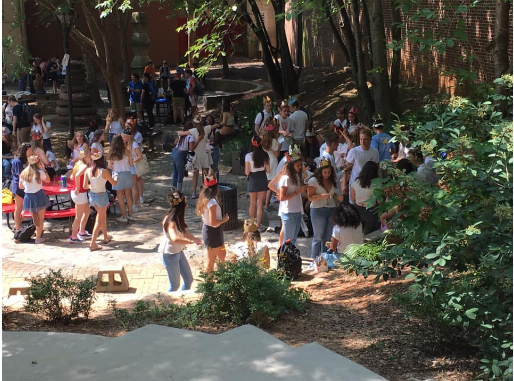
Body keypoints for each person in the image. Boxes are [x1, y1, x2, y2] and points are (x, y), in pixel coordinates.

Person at [159, 189, 201, 292]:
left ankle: (182, 301)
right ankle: (167, 306)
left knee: (189, 280)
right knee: (174, 286)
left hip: (178, 252)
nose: (187, 204)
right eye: (185, 203)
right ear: (182, 206)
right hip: (170, 255)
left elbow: (185, 232)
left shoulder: (178, 217)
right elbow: (174, 238)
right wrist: (189, 242)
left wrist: (194, 238)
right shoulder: (171, 222)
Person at [307, 158, 342, 259]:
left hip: (331, 209)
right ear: (320, 171)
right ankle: (314, 259)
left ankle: (325, 260)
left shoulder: (332, 180)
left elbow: (332, 194)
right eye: (325, 172)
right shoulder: (313, 181)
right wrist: (321, 196)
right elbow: (310, 197)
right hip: (318, 210)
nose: (327, 174)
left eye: (329, 172)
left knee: (327, 237)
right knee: (318, 237)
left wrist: (337, 197)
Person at [83, 150, 118, 251]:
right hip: (101, 196)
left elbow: (85, 186)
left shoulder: (87, 171)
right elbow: (114, 184)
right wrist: (116, 177)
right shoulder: (104, 171)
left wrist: (93, 185)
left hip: (92, 196)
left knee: (102, 216)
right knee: (99, 220)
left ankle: (106, 236)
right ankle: (93, 243)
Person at [196, 172, 230, 273]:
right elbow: (214, 222)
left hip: (213, 231)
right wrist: (225, 219)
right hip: (212, 231)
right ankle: (208, 284)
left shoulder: (205, 198)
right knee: (211, 262)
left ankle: (222, 278)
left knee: (222, 256)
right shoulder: (212, 203)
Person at [277, 145, 308, 244]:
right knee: (288, 241)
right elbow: (282, 197)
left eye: (300, 165)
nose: (300, 167)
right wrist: (297, 192)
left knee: (293, 240)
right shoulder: (286, 178)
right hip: (288, 213)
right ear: (291, 165)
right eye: (298, 165)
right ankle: (284, 258)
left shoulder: (296, 176)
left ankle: (291, 258)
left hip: (298, 211)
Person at [177, 116, 213, 199]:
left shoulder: (192, 131)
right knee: (206, 174)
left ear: (194, 123)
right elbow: (215, 125)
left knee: (195, 175)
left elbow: (180, 133)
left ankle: (194, 192)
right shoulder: (207, 129)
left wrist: (180, 131)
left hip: (196, 155)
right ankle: (206, 191)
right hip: (204, 154)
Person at [18, 155, 50, 244]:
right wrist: (44, 169)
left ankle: (36, 234)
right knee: (40, 218)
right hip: (39, 195)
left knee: (35, 217)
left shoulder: (24, 173)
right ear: (37, 163)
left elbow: (20, 186)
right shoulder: (40, 172)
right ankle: (38, 237)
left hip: (28, 196)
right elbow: (47, 180)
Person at [342, 128, 379, 198]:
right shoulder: (354, 151)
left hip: (370, 183)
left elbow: (376, 168)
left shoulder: (375, 152)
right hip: (355, 182)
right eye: (361, 139)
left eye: (365, 139)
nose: (362, 141)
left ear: (370, 139)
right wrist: (344, 185)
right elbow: (346, 169)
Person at [245, 136, 270, 230]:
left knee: (252, 203)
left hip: (253, 178)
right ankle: (258, 225)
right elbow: (268, 170)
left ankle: (252, 223)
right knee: (260, 204)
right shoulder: (265, 155)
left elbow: (247, 172)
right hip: (262, 178)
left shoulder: (248, 156)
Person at [108, 134, 134, 222]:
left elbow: (109, 166)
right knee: (128, 195)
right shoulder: (127, 151)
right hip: (127, 173)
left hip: (117, 175)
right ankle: (130, 214)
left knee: (120, 197)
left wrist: (115, 167)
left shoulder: (111, 153)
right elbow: (131, 164)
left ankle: (123, 216)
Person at [350, 161, 380, 234]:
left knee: (357, 233)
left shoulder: (356, 182)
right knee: (370, 235)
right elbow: (379, 201)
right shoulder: (376, 184)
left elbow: (352, 198)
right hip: (371, 211)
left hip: (357, 209)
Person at [69, 149, 92, 243]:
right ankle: (74, 236)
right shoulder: (84, 166)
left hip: (78, 193)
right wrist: (78, 187)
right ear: (86, 156)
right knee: (78, 216)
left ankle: (82, 231)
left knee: (87, 212)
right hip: (80, 193)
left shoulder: (77, 164)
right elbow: (77, 176)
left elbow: (72, 177)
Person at [121, 127, 144, 211]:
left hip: (132, 167)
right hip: (127, 167)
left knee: (133, 186)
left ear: (128, 136)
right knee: (129, 187)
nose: (122, 139)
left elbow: (140, 156)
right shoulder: (125, 144)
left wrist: (132, 161)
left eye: (123, 137)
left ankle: (135, 205)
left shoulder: (134, 144)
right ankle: (132, 203)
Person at [260, 118, 280, 209]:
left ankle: (262, 201)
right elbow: (276, 154)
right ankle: (267, 204)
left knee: (264, 183)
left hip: (264, 160)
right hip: (272, 161)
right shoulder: (274, 141)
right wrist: (279, 147)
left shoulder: (261, 139)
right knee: (271, 183)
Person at [172, 120, 194, 192]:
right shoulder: (190, 137)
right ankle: (179, 191)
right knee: (180, 173)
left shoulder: (180, 133)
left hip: (174, 152)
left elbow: (175, 143)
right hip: (180, 154)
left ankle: (173, 188)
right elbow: (191, 149)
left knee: (175, 171)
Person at [205, 115, 222, 180]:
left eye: (210, 119)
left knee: (214, 167)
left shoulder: (216, 130)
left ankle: (216, 182)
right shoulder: (205, 129)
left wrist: (209, 143)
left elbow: (215, 142)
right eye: (207, 119)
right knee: (205, 167)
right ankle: (206, 183)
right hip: (206, 150)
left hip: (214, 149)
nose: (208, 121)